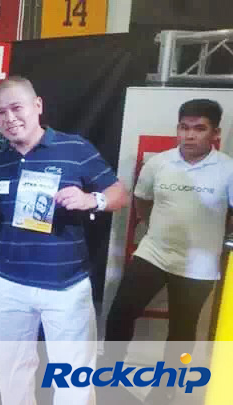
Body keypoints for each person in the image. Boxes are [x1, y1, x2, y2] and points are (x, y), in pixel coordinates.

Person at [0, 76, 129, 405]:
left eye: (16, 108)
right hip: (9, 285)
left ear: (37, 105)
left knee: (74, 378)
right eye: (0, 112)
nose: (9, 118)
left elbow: (119, 194)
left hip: (66, 287)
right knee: (12, 374)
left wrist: (91, 200)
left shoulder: (75, 149)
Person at [104, 99, 233, 404]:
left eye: (199, 129)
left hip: (198, 266)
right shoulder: (158, 163)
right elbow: (142, 200)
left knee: (183, 332)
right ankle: (110, 377)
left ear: (215, 133)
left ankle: (166, 390)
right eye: (184, 128)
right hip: (153, 254)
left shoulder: (227, 169)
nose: (189, 135)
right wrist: (154, 227)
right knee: (120, 314)